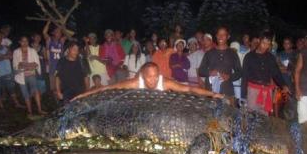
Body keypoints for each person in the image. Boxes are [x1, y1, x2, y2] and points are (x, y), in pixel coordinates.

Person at [72, 62, 224, 100]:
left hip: (161, 105)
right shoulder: (134, 83)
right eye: (149, 77)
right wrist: (83, 95)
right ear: (142, 76)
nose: (153, 80)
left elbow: (190, 88)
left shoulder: (164, 82)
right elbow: (107, 88)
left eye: (155, 76)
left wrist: (212, 94)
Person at [241, 32, 290, 115]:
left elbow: (276, 73)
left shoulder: (270, 57)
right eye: (264, 43)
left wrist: (283, 85)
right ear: (259, 41)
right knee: (251, 115)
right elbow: (244, 76)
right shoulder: (249, 56)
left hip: (266, 91)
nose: (265, 46)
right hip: (252, 90)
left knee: (264, 117)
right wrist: (243, 95)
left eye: (268, 44)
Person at [198, 26, 242, 96]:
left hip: (227, 91)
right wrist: (210, 72)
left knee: (226, 107)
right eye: (219, 34)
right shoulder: (209, 53)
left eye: (223, 35)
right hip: (210, 91)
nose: (220, 37)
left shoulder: (233, 53)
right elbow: (201, 71)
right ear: (216, 36)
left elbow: (239, 72)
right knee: (210, 107)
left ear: (228, 37)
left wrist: (229, 77)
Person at [13, 36, 46, 118]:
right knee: (26, 94)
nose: (25, 43)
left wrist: (25, 65)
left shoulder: (32, 51)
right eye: (23, 41)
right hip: (21, 76)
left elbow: (36, 64)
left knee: (36, 92)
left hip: (32, 75)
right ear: (19, 42)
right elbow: (17, 65)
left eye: (26, 41)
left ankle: (39, 109)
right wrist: (29, 65)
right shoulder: (16, 52)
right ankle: (29, 111)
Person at [0, 31, 23, 108]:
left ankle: (17, 104)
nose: (0, 39)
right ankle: (0, 107)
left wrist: (0, 56)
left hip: (7, 72)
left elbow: (11, 56)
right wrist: (5, 56)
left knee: (11, 89)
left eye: (1, 37)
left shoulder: (6, 47)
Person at [43, 21, 67, 97]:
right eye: (57, 32)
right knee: (53, 87)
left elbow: (71, 33)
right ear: (53, 33)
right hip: (52, 66)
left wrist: (62, 27)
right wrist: (48, 22)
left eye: (60, 32)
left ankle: (61, 100)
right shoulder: (50, 41)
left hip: (61, 67)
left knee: (61, 85)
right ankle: (56, 100)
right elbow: (44, 32)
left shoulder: (62, 41)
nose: (59, 33)